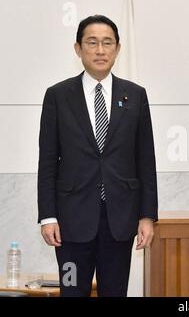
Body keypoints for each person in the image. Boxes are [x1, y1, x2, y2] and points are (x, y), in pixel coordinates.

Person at [37, 15, 158, 297]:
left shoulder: (136, 96)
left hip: (120, 221)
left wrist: (147, 215)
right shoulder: (57, 96)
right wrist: (47, 216)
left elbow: (145, 160)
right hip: (69, 223)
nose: (100, 50)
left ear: (117, 48)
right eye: (92, 42)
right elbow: (47, 162)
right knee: (71, 291)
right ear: (78, 48)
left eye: (107, 43)